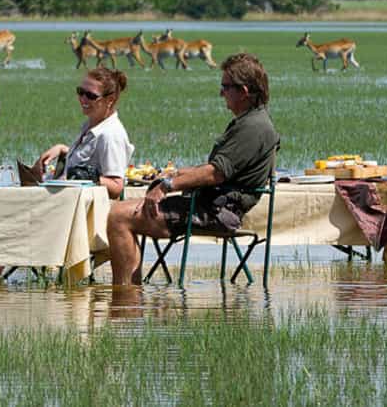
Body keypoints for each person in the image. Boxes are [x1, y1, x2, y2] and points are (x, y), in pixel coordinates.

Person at [106, 52, 279, 286]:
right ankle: (131, 292)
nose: (221, 92)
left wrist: (167, 186)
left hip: (215, 213)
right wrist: (176, 174)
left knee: (118, 216)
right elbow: (215, 168)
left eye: (226, 86)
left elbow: (215, 173)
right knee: (120, 211)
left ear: (244, 92)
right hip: (208, 204)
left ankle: (125, 296)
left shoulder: (253, 127)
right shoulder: (251, 121)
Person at [36, 67, 134, 200]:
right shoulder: (91, 124)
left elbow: (117, 187)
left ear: (110, 100)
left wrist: (90, 177)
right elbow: (87, 159)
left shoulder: (110, 135)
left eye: (91, 96)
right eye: (80, 92)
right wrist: (63, 150)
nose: (83, 99)